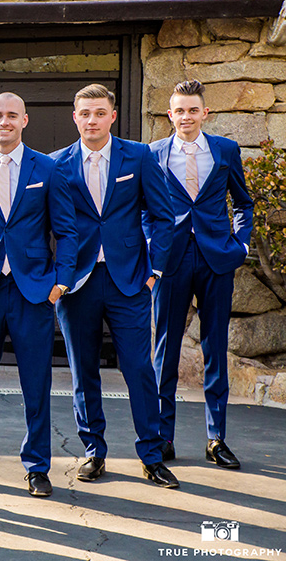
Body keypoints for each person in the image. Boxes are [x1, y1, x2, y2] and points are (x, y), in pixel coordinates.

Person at [52, 83, 179, 488]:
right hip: (77, 284)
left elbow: (164, 216)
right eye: (84, 113)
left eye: (99, 112)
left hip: (129, 279)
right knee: (82, 369)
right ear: (75, 117)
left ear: (112, 115)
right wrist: (56, 276)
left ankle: (152, 453)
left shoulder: (139, 156)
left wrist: (155, 269)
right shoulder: (56, 164)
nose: (91, 120)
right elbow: (44, 225)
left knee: (139, 368)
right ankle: (93, 451)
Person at [0, 93, 77, 498]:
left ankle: (37, 466)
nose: (4, 122)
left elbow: (66, 229)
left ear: (25, 120)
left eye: (12, 115)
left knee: (36, 382)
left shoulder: (48, 167)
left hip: (34, 290)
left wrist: (60, 283)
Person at [147, 79, 253, 469]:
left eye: (194, 109)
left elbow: (243, 202)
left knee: (214, 349)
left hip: (216, 259)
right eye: (180, 110)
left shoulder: (225, 150)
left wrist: (240, 244)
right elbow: (145, 208)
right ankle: (163, 436)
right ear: (169, 114)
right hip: (171, 260)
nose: (187, 116)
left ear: (204, 112)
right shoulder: (153, 153)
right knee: (165, 350)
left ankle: (216, 437)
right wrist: (151, 248)